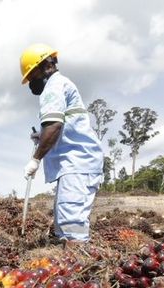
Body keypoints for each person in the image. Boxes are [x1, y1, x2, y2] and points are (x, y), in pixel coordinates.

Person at [20, 43, 104, 243]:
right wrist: (41, 136)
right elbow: (62, 125)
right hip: (74, 164)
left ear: (45, 66)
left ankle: (78, 264)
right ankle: (68, 264)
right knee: (63, 224)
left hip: (78, 163)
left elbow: (54, 126)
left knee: (71, 225)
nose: (32, 83)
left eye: (32, 76)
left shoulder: (54, 87)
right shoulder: (60, 85)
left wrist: (35, 159)